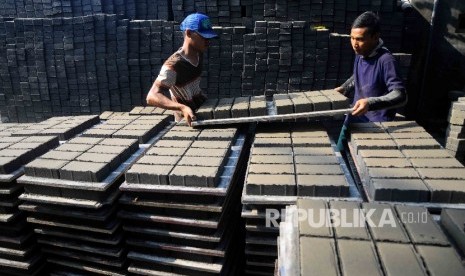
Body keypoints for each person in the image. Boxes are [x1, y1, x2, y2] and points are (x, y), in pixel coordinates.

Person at [336, 11, 407, 151]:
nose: (355, 44)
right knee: (340, 155)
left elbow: (400, 95)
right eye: (352, 38)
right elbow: (358, 75)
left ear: (375, 37)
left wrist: (370, 103)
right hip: (354, 116)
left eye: (360, 39)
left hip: (376, 124)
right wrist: (344, 88)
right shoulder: (361, 54)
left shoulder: (386, 61)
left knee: (363, 167)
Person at [146, 13, 218, 126]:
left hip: (202, 111)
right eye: (204, 36)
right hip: (187, 121)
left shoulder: (199, 53)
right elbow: (151, 96)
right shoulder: (174, 65)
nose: (208, 41)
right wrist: (182, 107)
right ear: (189, 33)